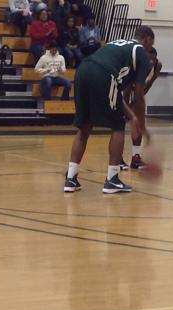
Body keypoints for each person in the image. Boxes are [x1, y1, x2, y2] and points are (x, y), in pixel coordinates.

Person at [66, 27, 155, 194]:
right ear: (147, 39)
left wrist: (133, 117)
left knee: (84, 127)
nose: (151, 49)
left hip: (83, 70)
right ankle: (112, 179)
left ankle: (71, 178)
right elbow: (139, 96)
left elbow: (116, 93)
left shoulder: (117, 45)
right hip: (104, 74)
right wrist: (142, 126)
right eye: (151, 44)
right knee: (118, 125)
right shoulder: (141, 52)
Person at [126, 46, 162, 169]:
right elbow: (127, 88)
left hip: (136, 91)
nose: (150, 63)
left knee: (139, 122)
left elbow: (142, 91)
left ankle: (136, 157)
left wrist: (154, 77)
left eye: (153, 60)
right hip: (123, 86)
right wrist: (126, 106)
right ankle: (118, 159)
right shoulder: (136, 65)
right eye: (149, 61)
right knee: (119, 125)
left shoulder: (157, 65)